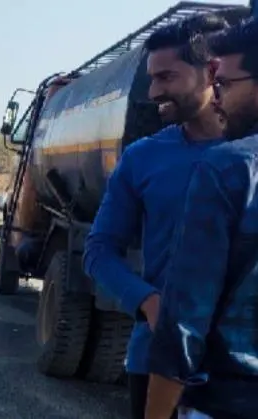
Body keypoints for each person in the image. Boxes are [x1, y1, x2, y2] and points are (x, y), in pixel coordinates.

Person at [80, 13, 231, 419]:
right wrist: (148, 302)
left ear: (212, 71)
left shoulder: (249, 156)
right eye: (152, 77)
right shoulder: (143, 157)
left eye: (166, 77)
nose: (152, 91)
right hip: (157, 360)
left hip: (240, 365)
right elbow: (99, 250)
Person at [145, 17, 258, 419]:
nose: (219, 97)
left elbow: (184, 326)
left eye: (225, 84)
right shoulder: (146, 155)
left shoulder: (228, 169)